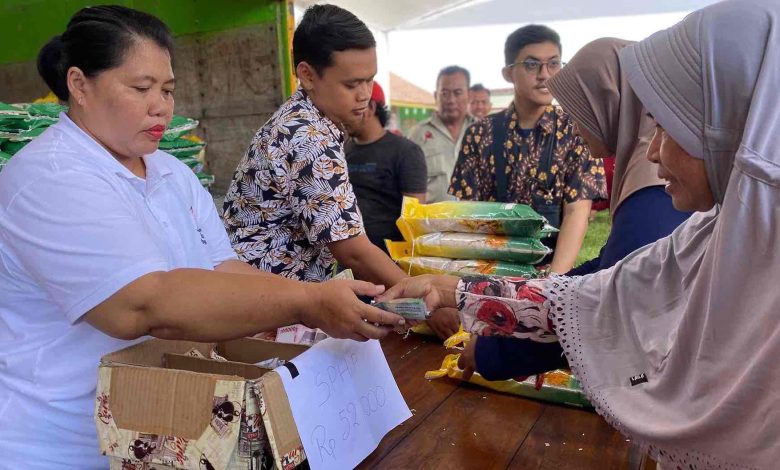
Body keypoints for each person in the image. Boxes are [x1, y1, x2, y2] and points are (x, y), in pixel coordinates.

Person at [0, 6, 404, 468]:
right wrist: (307, 302)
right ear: (79, 84)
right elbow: (142, 305)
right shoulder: (49, 177)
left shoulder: (171, 173)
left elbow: (223, 269)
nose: (161, 106)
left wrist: (319, 303)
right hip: (61, 445)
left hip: (160, 429)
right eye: (141, 88)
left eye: (168, 89)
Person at [381, 1, 780, 467]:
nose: (653, 152)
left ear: (728, 124)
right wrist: (453, 289)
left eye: (667, 128)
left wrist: (484, 334)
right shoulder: (711, 230)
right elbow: (600, 298)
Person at [471, 37, 694, 381]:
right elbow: (608, 268)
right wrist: (520, 302)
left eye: (580, 111)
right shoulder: (642, 165)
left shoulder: (655, 184)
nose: (574, 127)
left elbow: (607, 308)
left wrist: (491, 351)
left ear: (610, 102)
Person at [222, 5, 406, 286]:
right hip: (265, 292)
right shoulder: (307, 136)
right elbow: (352, 251)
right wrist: (418, 293)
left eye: (370, 80)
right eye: (352, 84)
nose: (365, 95)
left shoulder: (304, 117)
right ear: (307, 75)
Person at [449, 25, 607, 274]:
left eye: (553, 64)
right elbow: (469, 214)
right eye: (532, 65)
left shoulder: (576, 129)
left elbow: (577, 211)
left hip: (551, 273)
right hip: (489, 271)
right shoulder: (480, 134)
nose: (545, 75)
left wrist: (552, 283)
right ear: (508, 73)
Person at [344, 81, 427, 252]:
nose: (343, 116)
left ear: (371, 107)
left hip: (390, 257)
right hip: (350, 255)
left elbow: (414, 217)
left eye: (350, 109)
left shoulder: (406, 151)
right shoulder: (342, 150)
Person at [407, 65, 474, 203]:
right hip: (431, 216)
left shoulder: (483, 133)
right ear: (435, 96)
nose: (451, 100)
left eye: (457, 93)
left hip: (478, 216)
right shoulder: (417, 135)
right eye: (444, 93)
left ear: (469, 95)